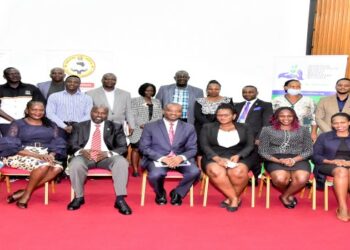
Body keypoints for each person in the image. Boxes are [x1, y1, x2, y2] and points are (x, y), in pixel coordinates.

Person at [0, 100, 66, 208]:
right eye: (34, 109)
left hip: (44, 154)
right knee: (44, 165)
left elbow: (58, 143)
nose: (38, 112)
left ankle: (24, 192)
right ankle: (26, 196)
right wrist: (37, 156)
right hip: (20, 153)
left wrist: (52, 155)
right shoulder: (18, 124)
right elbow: (10, 145)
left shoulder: (51, 125)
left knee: (58, 168)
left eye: (41, 110)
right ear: (27, 110)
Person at [67, 105, 132, 215]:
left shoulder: (116, 126)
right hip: (85, 156)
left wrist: (108, 153)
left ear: (107, 115)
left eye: (103, 113)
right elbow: (71, 144)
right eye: (96, 112)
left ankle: (120, 199)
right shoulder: (79, 126)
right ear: (91, 112)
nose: (99, 115)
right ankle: (79, 197)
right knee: (75, 164)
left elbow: (123, 147)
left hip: (107, 156)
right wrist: (81, 151)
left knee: (121, 162)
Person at [139, 103, 200, 206]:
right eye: (170, 110)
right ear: (163, 111)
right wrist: (162, 158)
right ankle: (160, 193)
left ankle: (178, 193)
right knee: (155, 174)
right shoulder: (150, 126)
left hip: (180, 159)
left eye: (177, 111)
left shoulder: (189, 127)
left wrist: (180, 157)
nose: (173, 113)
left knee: (194, 172)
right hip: (157, 158)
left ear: (181, 113)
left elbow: (193, 149)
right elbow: (144, 148)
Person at [200, 103, 256, 212]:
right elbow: (204, 145)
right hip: (214, 154)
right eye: (219, 115)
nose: (222, 117)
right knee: (216, 171)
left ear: (234, 116)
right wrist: (217, 158)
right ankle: (234, 198)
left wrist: (239, 156)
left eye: (226, 115)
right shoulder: (207, 127)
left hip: (239, 154)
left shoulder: (245, 127)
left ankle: (230, 198)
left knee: (237, 172)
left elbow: (250, 145)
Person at [258, 107, 313, 208]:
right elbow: (262, 151)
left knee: (301, 179)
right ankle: (289, 193)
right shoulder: (267, 130)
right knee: (280, 179)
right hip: (274, 158)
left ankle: (285, 196)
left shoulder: (303, 130)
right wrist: (279, 160)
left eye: (289, 116)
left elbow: (309, 150)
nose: (286, 118)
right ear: (276, 117)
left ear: (294, 117)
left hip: (298, 158)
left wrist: (294, 159)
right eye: (282, 116)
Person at [313, 112, 350, 222]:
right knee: (342, 171)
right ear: (332, 124)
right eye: (336, 123)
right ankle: (342, 208)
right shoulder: (324, 137)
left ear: (349, 123)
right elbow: (315, 155)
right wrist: (331, 161)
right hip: (327, 165)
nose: (339, 126)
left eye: (342, 122)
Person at [234, 85, 273, 180]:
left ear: (257, 93)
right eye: (245, 92)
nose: (247, 94)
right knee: (240, 156)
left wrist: (260, 137)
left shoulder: (265, 105)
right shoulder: (237, 105)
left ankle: (255, 177)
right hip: (238, 135)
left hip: (255, 137)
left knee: (253, 157)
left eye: (250, 92)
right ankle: (241, 176)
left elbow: (267, 123)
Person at [129, 83, 162, 177]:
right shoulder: (135, 100)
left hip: (153, 130)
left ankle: (148, 169)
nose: (149, 92)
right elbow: (133, 114)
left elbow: (159, 115)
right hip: (139, 129)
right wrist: (142, 124)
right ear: (143, 90)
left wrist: (151, 126)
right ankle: (135, 170)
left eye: (151, 90)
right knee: (136, 149)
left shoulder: (157, 101)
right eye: (147, 90)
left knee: (150, 150)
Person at [0, 67, 45, 135]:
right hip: (7, 123)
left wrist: (26, 119)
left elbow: (40, 104)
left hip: (29, 123)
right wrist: (12, 120)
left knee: (29, 144)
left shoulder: (31, 88)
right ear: (5, 76)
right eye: (11, 74)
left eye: (17, 73)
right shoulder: (0, 89)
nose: (15, 75)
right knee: (9, 143)